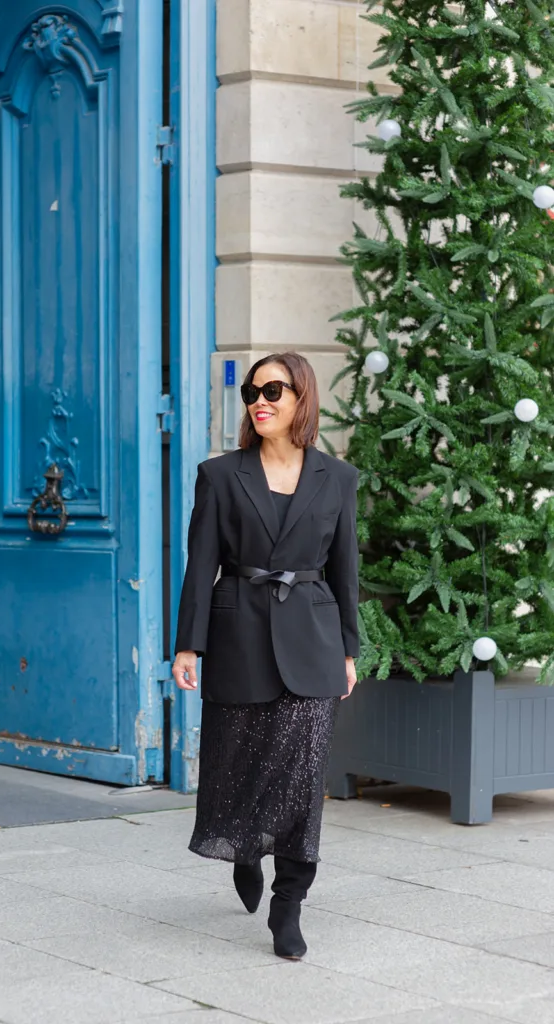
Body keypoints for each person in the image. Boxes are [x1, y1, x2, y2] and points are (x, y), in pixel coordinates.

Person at [172, 351, 359, 961]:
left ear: (302, 398)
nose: (262, 399)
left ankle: (289, 902)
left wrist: (350, 649)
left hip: (314, 639)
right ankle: (245, 848)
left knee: (303, 776)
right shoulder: (222, 474)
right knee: (239, 763)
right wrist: (187, 644)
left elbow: (344, 571)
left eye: (275, 389)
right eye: (254, 390)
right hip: (238, 635)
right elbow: (201, 565)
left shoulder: (338, 478)